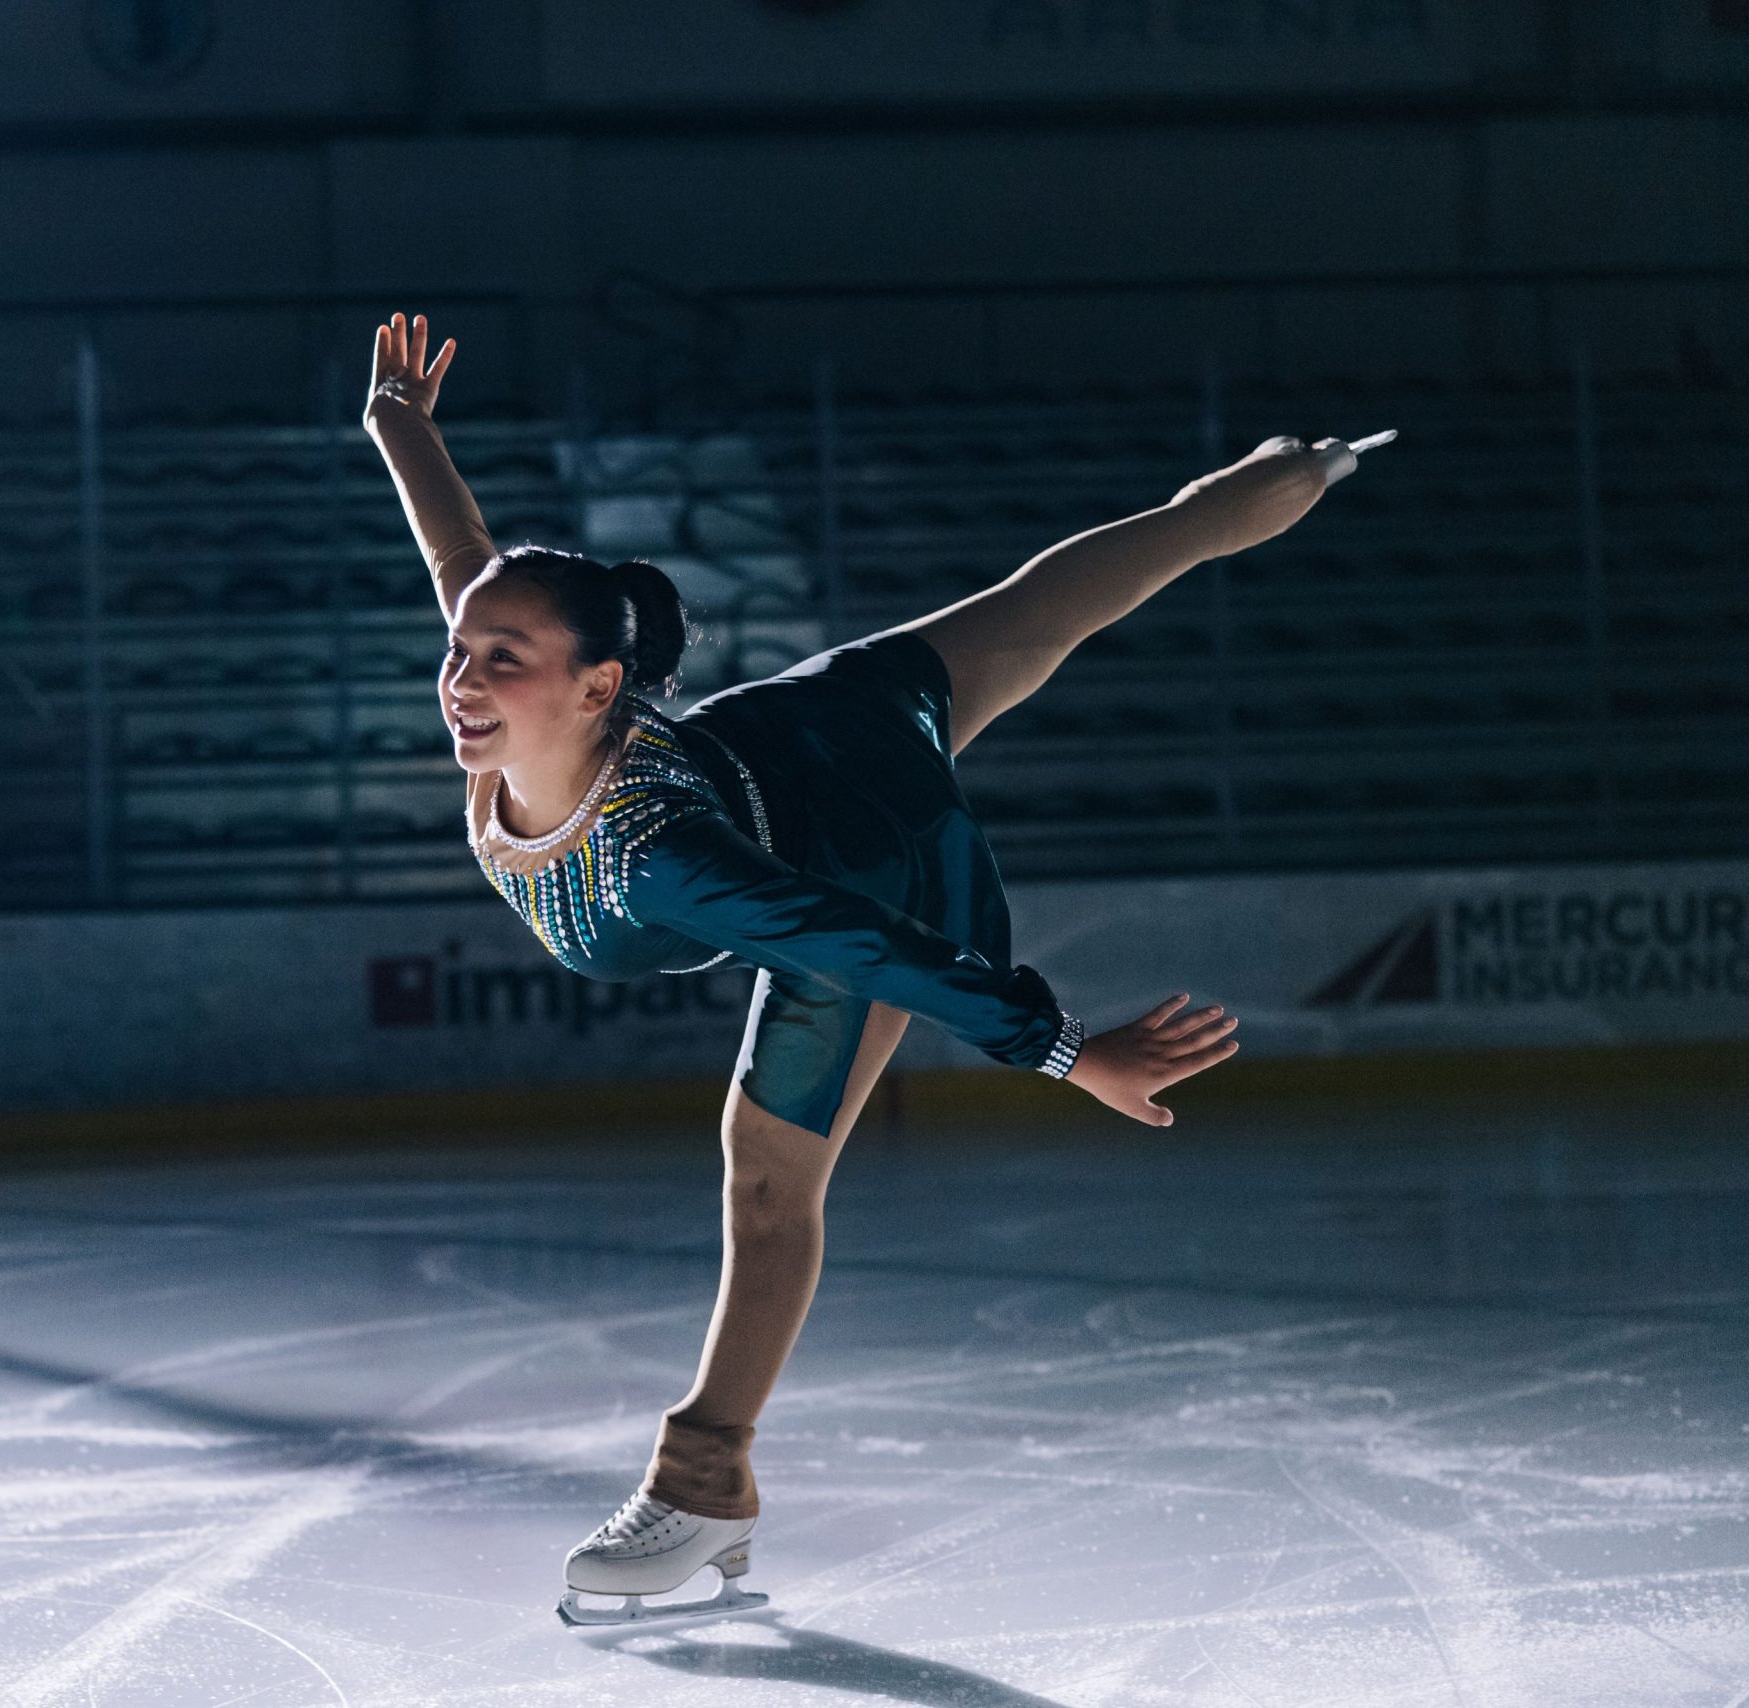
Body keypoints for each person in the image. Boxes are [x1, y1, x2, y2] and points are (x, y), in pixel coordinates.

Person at [363, 311, 1364, 1624]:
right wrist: (400, 426)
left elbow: (870, 945)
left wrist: (1062, 1048)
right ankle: (1251, 491)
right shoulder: (518, 713)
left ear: (601, 686)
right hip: (804, 730)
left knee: (768, 1177)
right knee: (1035, 613)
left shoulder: (663, 862)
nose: (460, 678)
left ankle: (703, 1481)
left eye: (500, 660)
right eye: (460, 650)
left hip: (861, 855)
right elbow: (465, 558)